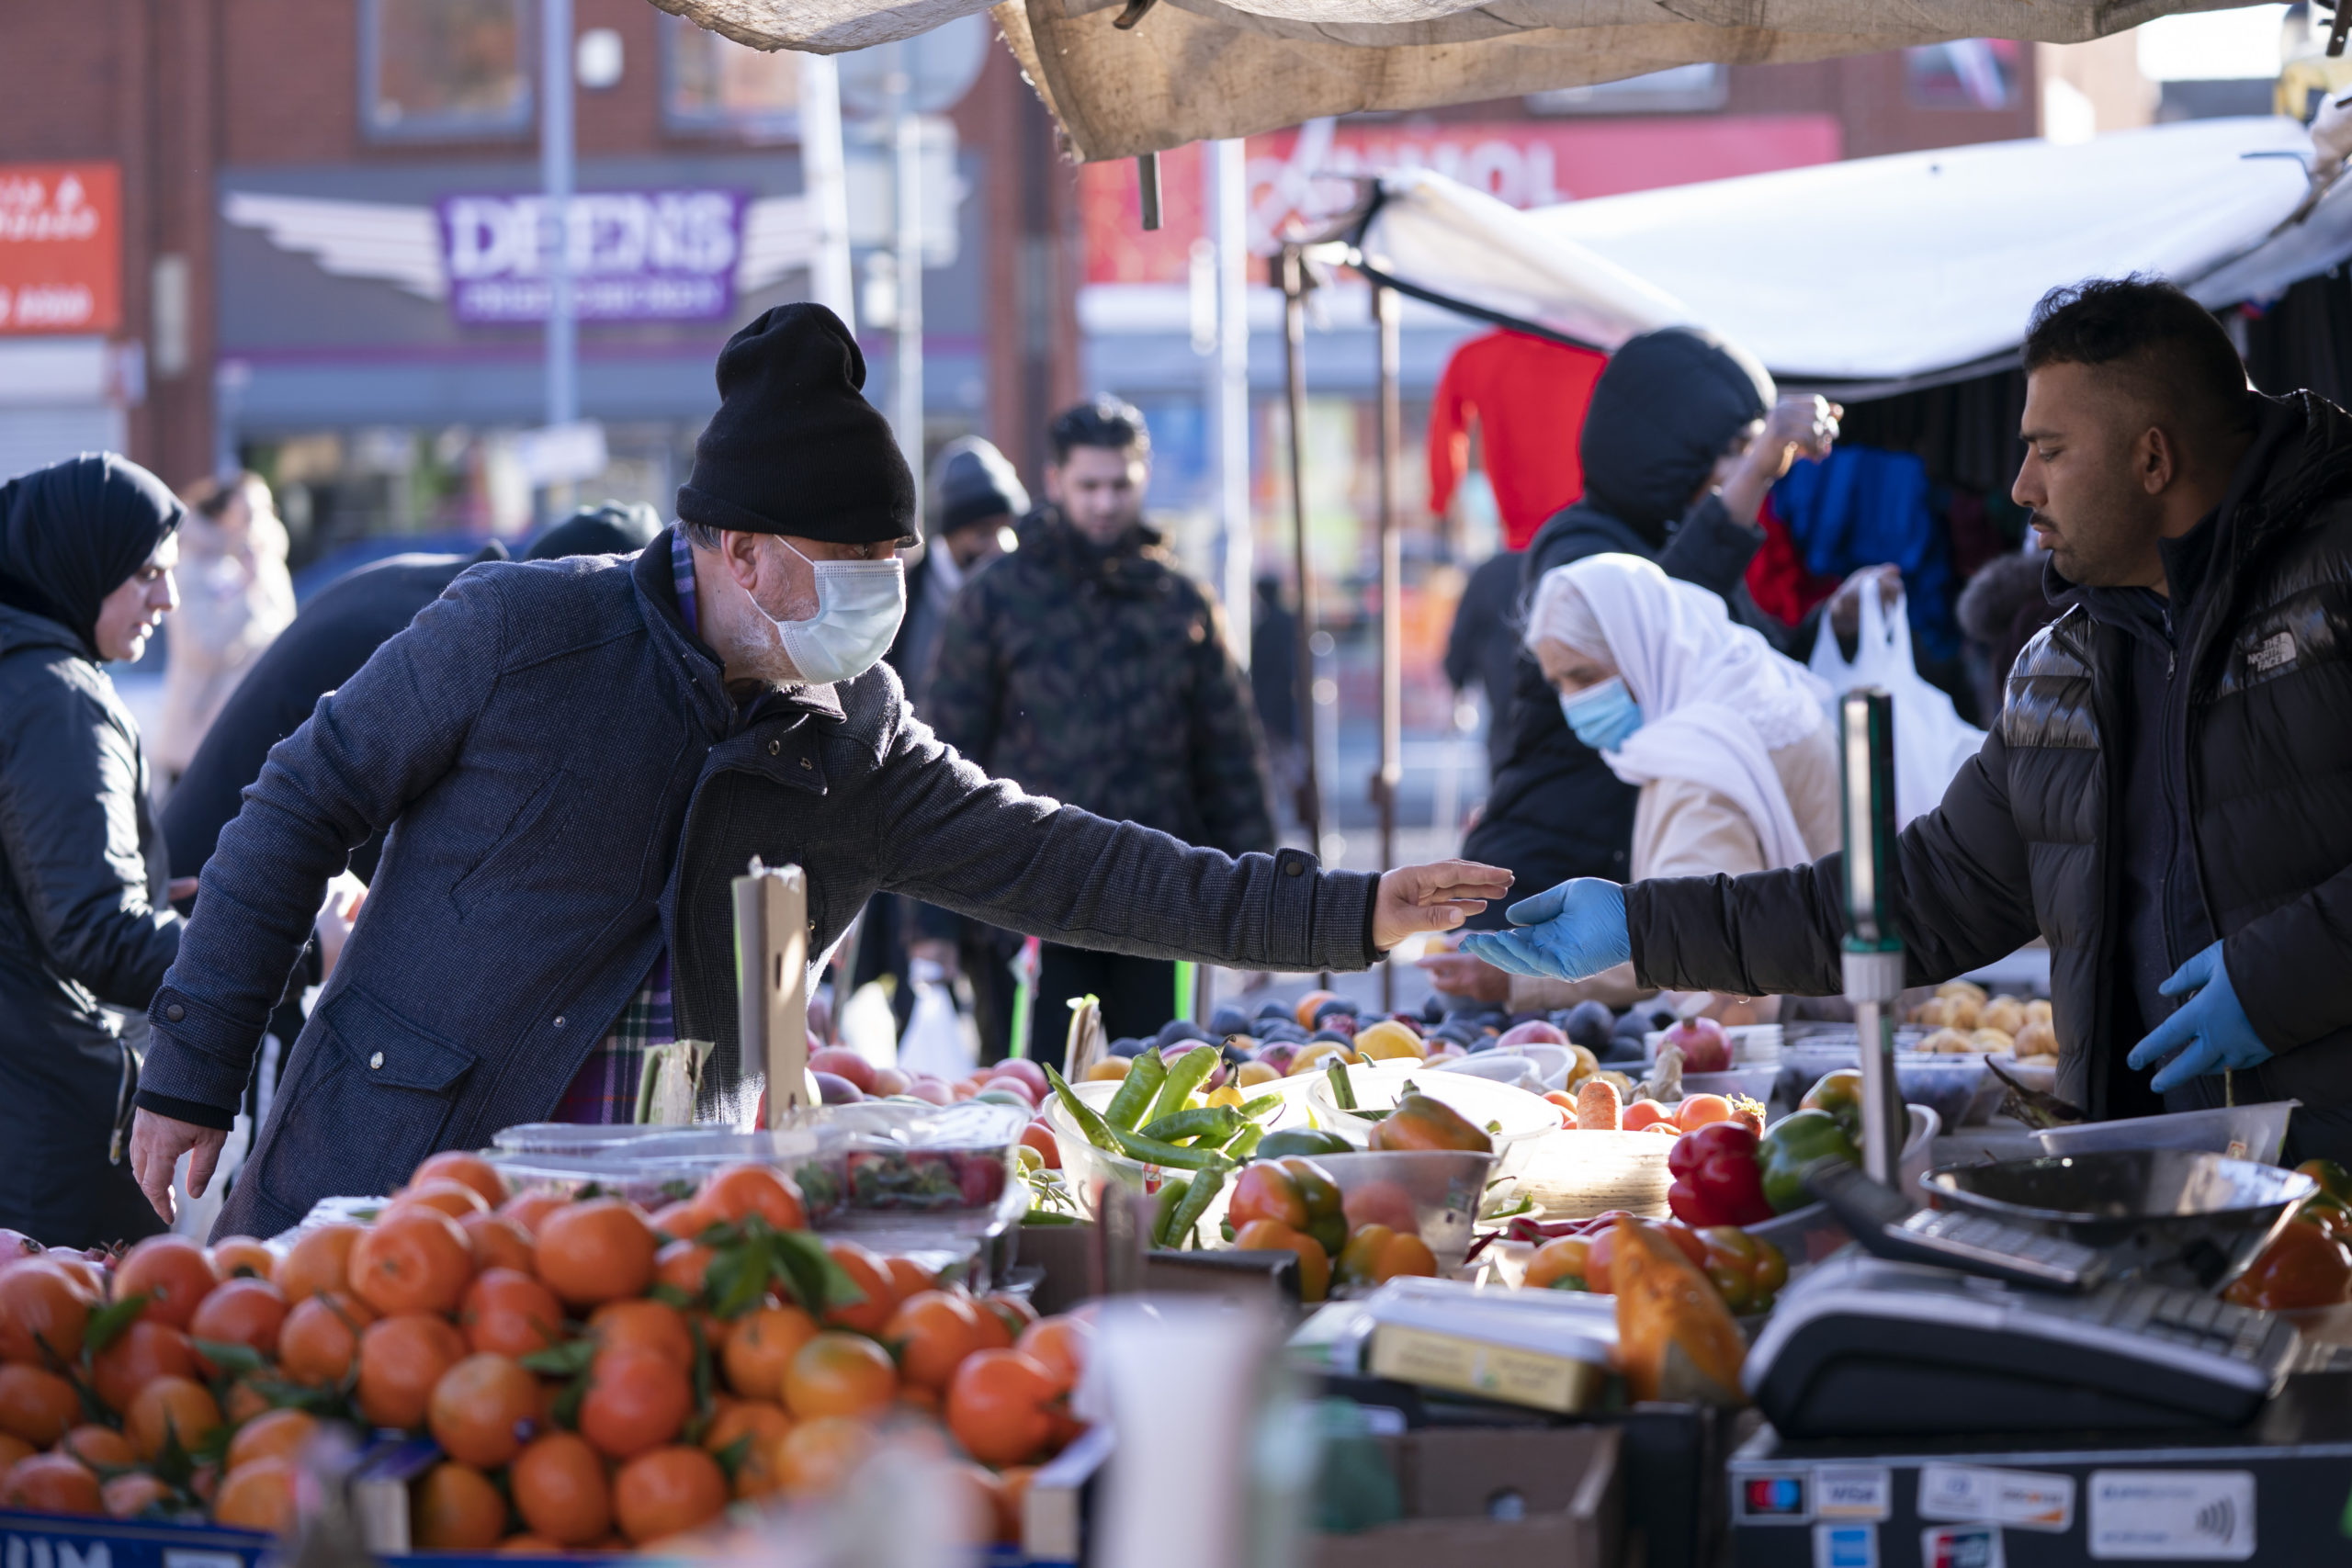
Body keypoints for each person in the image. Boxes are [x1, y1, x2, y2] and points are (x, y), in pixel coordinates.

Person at [130, 307, 1508, 1235]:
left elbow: (1075, 858)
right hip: (398, 1183)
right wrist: (191, 1065)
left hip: (657, 1235)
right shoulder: (520, 634)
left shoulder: (853, 733)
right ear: (738, 549)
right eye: (851, 570)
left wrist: (1349, 908)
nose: (878, 603)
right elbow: (297, 800)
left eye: (894, 571)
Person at [1460, 276, 2352, 1166]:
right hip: (2161, 1182)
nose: (2020, 486)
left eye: (2048, 450)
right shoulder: (2062, 671)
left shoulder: (2338, 579)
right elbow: (1921, 896)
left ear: (2151, 460)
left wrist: (2283, 976)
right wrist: (1640, 925)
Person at [927, 397, 1281, 1043]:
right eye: (1089, 485)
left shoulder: (1180, 602)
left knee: (1156, 1093)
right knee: (1032, 1102)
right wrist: (931, 931)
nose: (1105, 502)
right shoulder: (995, 598)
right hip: (1025, 905)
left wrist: (1258, 910)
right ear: (1056, 480)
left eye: (1121, 484)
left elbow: (1229, 758)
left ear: (1143, 479)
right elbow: (944, 756)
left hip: (1160, 903)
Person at [1460, 327, 1844, 915]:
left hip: (1638, 900)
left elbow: (1761, 664)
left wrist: (1836, 622)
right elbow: (1661, 620)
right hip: (1540, 892)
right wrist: (1757, 473)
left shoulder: (1689, 551)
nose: (1738, 470)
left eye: (1750, 449)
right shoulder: (1575, 549)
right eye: (1734, 449)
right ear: (1666, 448)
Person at [1436, 554, 1839, 1015]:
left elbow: (1693, 938)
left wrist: (1525, 976)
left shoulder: (1697, 757)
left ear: (1640, 650)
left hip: (1812, 1021)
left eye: (1585, 676)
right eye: (1560, 684)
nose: (1575, 702)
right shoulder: (1746, 680)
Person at [0, 455, 186, 1247]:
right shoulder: (55, 698)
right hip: (46, 1139)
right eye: (145, 571)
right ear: (82, 557)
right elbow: (93, 931)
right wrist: (293, 947)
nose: (167, 599)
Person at [855, 437, 1027, 1052]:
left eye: (1004, 526)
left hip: (1003, 823)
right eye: (979, 528)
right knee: (920, 1023)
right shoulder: (899, 597)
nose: (994, 543)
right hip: (917, 831)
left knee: (1012, 1031)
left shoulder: (1028, 593)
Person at [153, 471, 296, 786]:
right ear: (221, 516)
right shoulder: (191, 567)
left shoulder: (270, 570)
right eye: (247, 514)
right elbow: (204, 648)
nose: (258, 524)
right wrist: (247, 588)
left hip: (255, 739)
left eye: (266, 512)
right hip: (198, 745)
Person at [1443, 546, 1526, 780]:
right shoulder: (1563, 560)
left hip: (1505, 700)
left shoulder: (1490, 572)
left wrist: (1459, 679)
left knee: (1506, 778)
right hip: (1558, 708)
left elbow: (1461, 640)